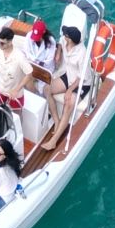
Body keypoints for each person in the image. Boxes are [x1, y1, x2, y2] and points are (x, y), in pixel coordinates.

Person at [41, 23, 88, 151]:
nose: (63, 36)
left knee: (68, 105)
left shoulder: (82, 54)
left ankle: (53, 141)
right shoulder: (64, 40)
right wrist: (58, 52)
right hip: (69, 76)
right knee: (47, 89)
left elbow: (82, 76)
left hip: (81, 83)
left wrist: (69, 90)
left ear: (71, 39)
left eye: (66, 35)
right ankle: (56, 119)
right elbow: (60, 42)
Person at [21, 17, 57, 87]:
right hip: (31, 64)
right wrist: (33, 61)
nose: (35, 39)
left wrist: (38, 64)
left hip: (45, 68)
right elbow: (26, 50)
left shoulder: (51, 41)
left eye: (38, 37)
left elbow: (49, 59)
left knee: (41, 86)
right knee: (28, 79)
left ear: (44, 32)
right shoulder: (29, 35)